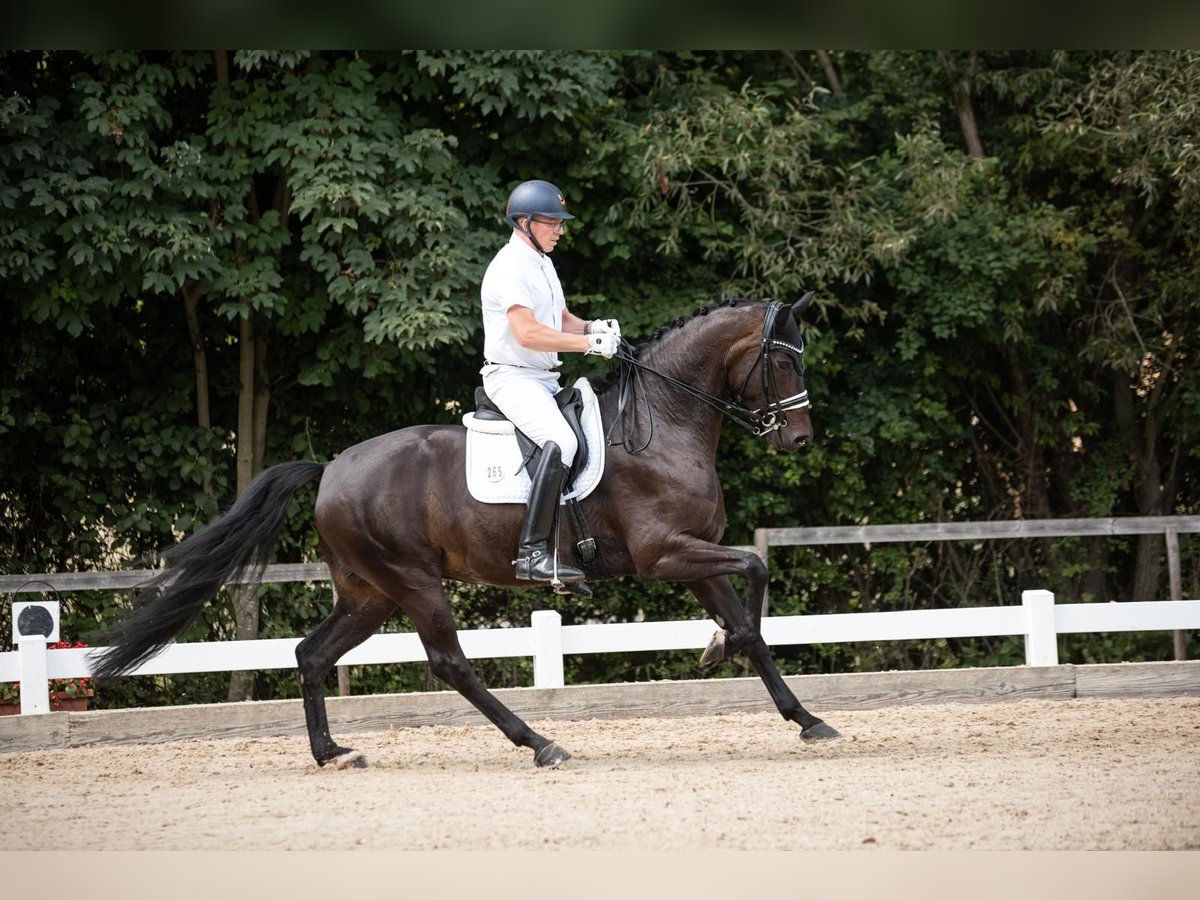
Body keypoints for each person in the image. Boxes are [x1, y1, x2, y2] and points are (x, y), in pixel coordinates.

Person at [479, 179, 620, 590]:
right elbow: (527, 333)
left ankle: (565, 544)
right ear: (524, 223)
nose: (560, 230)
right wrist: (589, 345)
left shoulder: (542, 262)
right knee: (563, 441)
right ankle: (532, 554)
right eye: (552, 223)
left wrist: (594, 326)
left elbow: (559, 318)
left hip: (543, 378)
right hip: (512, 377)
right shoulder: (508, 267)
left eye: (560, 223)